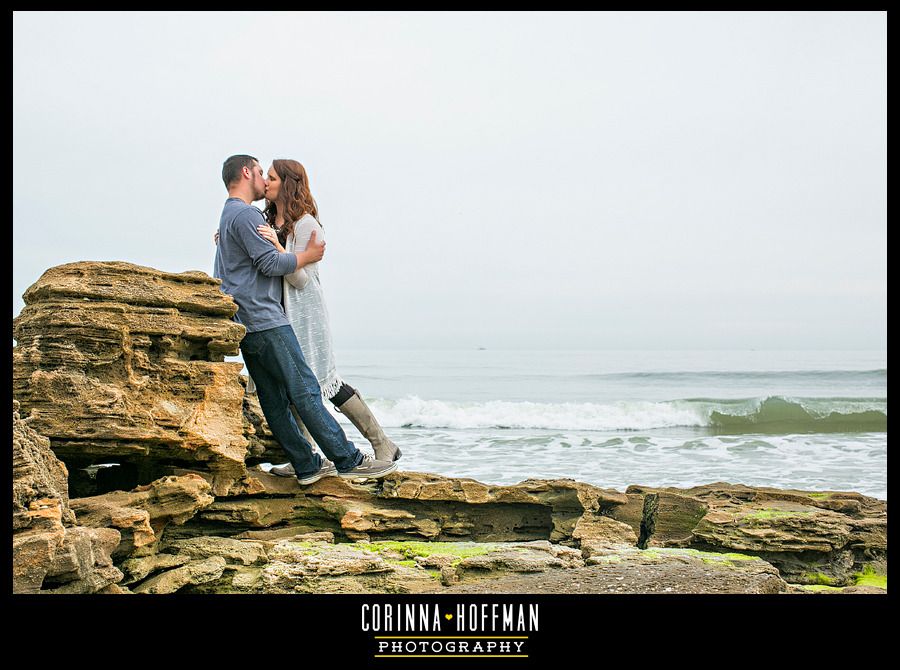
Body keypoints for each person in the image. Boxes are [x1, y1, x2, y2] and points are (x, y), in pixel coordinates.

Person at [213, 154, 397, 485]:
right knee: (306, 392)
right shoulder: (246, 216)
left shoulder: (242, 218)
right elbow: (271, 265)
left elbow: (288, 276)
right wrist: (305, 256)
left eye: (270, 176)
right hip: (268, 318)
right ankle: (348, 460)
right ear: (246, 173)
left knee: (282, 396)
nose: (264, 180)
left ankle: (310, 464)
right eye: (260, 173)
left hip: (272, 319)